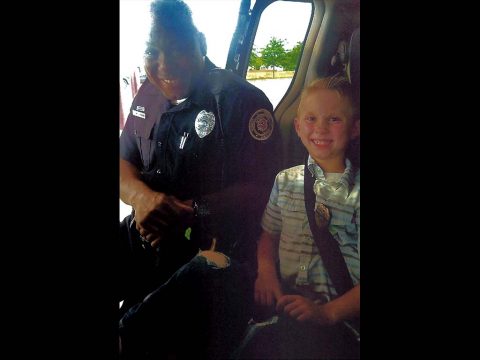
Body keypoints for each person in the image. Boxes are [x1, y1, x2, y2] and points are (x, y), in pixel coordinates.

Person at [118, 0, 282, 358]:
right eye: (152, 51)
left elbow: (266, 190)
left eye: (177, 47)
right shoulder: (147, 94)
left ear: (202, 44)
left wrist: (192, 211)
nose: (164, 63)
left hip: (221, 253)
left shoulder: (239, 101)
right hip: (151, 236)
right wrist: (143, 199)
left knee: (134, 330)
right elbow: (123, 163)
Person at [250, 75, 360, 359]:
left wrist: (326, 313)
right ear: (298, 127)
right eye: (311, 118)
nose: (320, 128)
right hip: (285, 302)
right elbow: (269, 234)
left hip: (340, 322)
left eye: (334, 119)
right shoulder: (285, 181)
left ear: (355, 128)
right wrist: (266, 272)